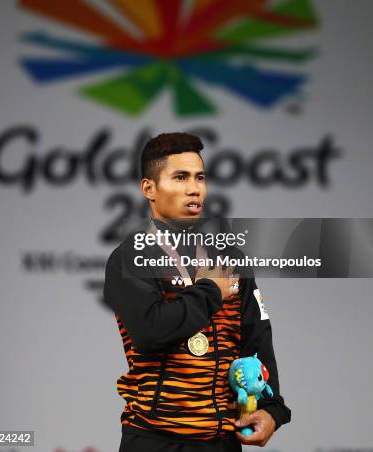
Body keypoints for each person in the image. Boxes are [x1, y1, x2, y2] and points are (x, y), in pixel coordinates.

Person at [104, 132, 291, 451]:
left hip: (223, 441)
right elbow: (150, 331)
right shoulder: (129, 257)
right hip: (154, 440)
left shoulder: (229, 257)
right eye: (180, 177)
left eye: (200, 178)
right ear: (149, 188)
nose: (194, 189)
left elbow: (256, 334)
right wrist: (211, 292)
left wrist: (272, 408)